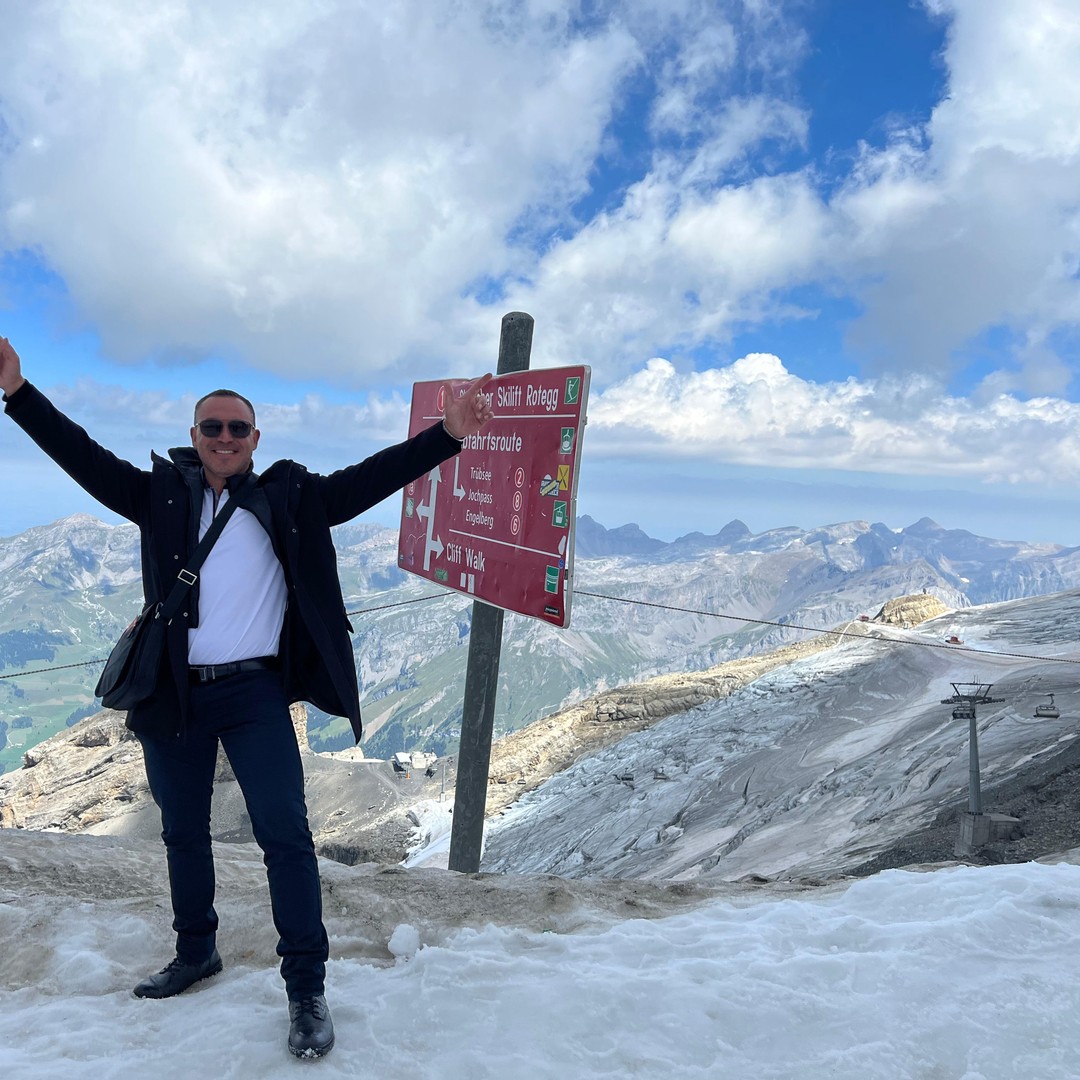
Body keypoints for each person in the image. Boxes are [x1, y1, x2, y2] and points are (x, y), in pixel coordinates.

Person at [0, 335, 493, 1059]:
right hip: (174, 695)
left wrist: (447, 435)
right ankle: (196, 951)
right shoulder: (161, 496)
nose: (225, 437)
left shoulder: (289, 496)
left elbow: (369, 480)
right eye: (212, 426)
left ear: (256, 439)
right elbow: (84, 457)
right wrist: (17, 393)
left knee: (286, 838)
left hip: (256, 692)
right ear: (194, 436)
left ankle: (306, 989)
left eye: (238, 427)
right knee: (182, 833)